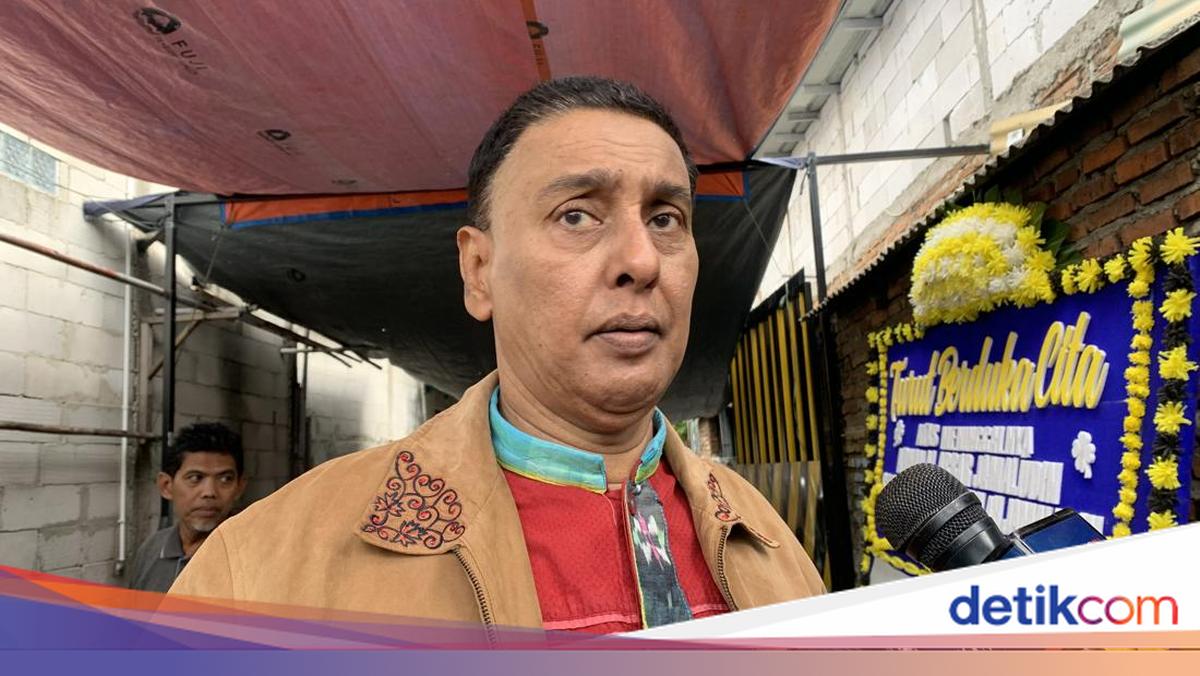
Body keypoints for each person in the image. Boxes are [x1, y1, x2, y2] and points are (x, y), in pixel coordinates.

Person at [170, 76, 824, 639]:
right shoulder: (261, 571)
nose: (641, 260)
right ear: (479, 270)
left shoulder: (767, 540)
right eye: (576, 216)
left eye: (665, 219)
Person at [127, 422, 246, 592]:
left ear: (239, 487)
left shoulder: (251, 557)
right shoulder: (152, 549)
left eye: (225, 479)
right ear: (167, 486)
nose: (209, 492)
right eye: (195, 478)